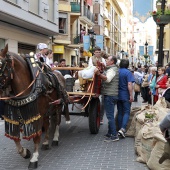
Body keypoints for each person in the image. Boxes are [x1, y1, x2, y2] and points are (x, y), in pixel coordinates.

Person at [94, 56, 119, 142]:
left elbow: (107, 79)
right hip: (110, 94)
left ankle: (114, 135)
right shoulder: (111, 69)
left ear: (112, 61)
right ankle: (110, 133)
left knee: (110, 116)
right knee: (110, 115)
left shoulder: (112, 70)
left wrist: (98, 74)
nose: (106, 61)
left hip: (110, 95)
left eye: (108, 59)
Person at [117, 59, 134, 138]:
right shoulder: (128, 72)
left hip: (117, 94)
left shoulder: (117, 71)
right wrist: (131, 95)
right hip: (125, 94)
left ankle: (119, 128)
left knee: (120, 112)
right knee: (126, 112)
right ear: (127, 65)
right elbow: (129, 84)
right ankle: (123, 129)